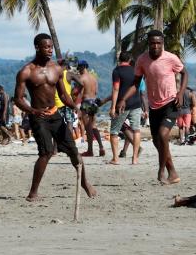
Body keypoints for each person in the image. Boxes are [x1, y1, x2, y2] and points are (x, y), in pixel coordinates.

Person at [14, 33, 96, 201]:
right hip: (38, 117)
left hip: (55, 115)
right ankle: (33, 193)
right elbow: (18, 98)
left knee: (73, 150)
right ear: (37, 47)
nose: (50, 50)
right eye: (46, 47)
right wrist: (32, 111)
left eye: (51, 47)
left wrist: (76, 108)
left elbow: (64, 95)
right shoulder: (26, 71)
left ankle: (84, 182)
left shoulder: (56, 69)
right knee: (46, 152)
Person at [118, 30, 188, 184]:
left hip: (171, 103)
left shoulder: (171, 58)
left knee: (163, 136)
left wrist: (181, 93)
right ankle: (173, 173)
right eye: (152, 43)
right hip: (154, 106)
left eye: (158, 43)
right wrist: (123, 99)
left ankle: (161, 171)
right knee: (158, 143)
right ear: (148, 44)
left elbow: (184, 73)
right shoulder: (142, 60)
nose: (155, 46)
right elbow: (136, 83)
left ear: (162, 44)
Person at [108, 51, 142, 165]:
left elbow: (116, 89)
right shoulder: (135, 70)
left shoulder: (117, 71)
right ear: (130, 59)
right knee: (136, 130)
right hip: (136, 103)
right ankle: (135, 158)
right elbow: (138, 87)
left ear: (119, 59)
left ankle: (115, 159)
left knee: (114, 132)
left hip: (122, 105)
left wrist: (113, 107)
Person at [77, 60, 105, 157]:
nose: (78, 70)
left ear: (82, 67)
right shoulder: (93, 78)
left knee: (88, 127)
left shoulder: (82, 78)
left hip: (86, 102)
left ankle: (90, 151)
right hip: (94, 102)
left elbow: (77, 92)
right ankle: (101, 147)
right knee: (93, 126)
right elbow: (96, 91)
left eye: (79, 68)